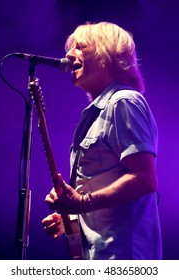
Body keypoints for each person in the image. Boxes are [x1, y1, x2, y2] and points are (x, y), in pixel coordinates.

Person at [42, 21, 162, 260]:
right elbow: (103, 185)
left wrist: (83, 203)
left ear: (105, 54)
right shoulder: (98, 112)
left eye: (80, 47)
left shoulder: (122, 101)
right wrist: (73, 219)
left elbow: (145, 179)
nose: (68, 54)